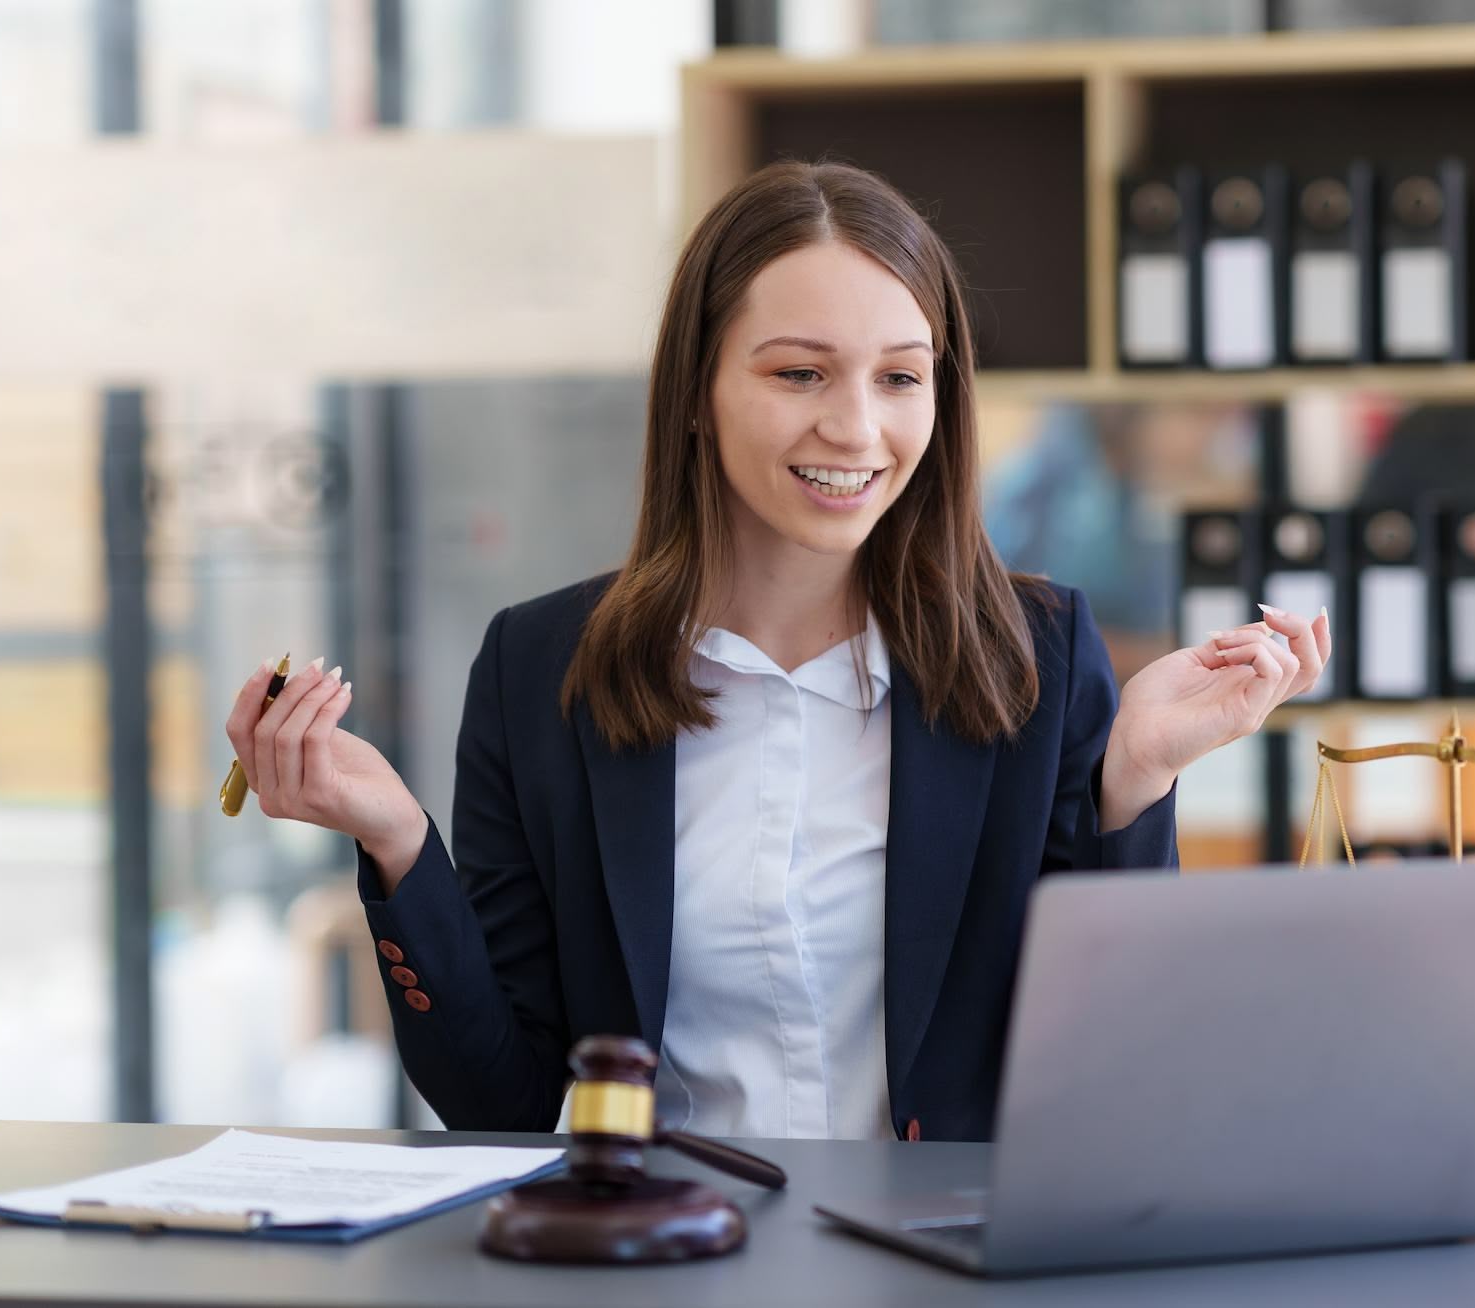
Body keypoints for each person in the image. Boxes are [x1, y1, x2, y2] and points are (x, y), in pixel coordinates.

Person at [222, 161, 1331, 1144]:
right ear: (699, 392)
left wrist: (1136, 781)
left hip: (950, 1275)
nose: (856, 428)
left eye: (901, 377)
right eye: (800, 374)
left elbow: (1117, 1074)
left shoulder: (1037, 657)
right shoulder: (540, 669)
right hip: (675, 1263)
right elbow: (498, 1100)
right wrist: (398, 840)